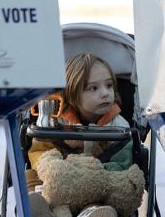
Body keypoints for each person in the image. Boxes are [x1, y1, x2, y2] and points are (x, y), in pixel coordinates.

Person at [27, 53, 139, 217]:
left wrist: (92, 173)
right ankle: (45, 209)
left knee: (111, 191)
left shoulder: (119, 126)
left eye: (109, 85)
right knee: (30, 176)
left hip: (95, 186)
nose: (105, 93)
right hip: (57, 183)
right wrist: (51, 165)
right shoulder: (56, 121)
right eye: (93, 88)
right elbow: (38, 152)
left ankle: (91, 212)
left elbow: (122, 164)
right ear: (72, 94)